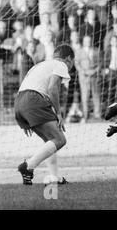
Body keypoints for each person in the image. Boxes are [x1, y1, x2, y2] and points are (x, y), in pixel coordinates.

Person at [15, 44, 75, 185]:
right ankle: (28, 167)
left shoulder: (41, 65)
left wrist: (24, 117)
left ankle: (54, 177)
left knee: (50, 141)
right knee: (60, 140)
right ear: (68, 59)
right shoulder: (61, 65)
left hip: (20, 102)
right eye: (73, 61)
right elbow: (52, 89)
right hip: (33, 100)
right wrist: (59, 113)